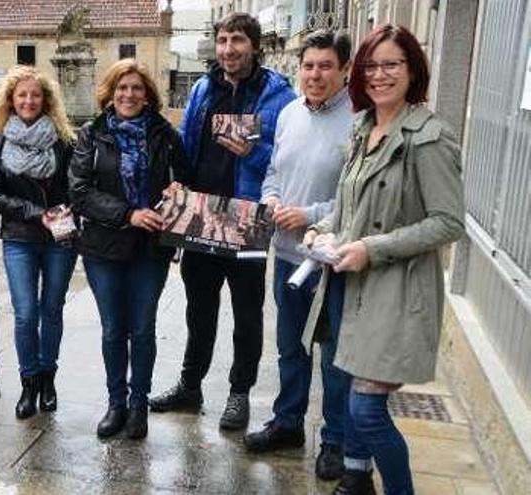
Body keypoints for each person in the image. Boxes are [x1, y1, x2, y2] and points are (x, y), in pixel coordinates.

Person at [302, 24, 465, 495]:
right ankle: (357, 479)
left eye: (392, 64)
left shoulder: (429, 138)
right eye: (371, 65)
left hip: (397, 292)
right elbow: (349, 207)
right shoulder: (363, 126)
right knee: (353, 393)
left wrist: (371, 249)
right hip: (350, 288)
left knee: (367, 410)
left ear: (413, 70)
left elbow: (448, 222)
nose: (379, 75)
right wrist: (323, 229)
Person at [149, 12, 295, 430]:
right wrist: (177, 194)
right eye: (223, 40)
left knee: (248, 313)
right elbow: (188, 148)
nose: (229, 49)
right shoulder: (202, 87)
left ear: (254, 45)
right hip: (203, 214)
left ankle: (239, 394)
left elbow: (284, 159)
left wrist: (253, 153)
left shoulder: (277, 94)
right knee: (200, 309)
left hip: (249, 216)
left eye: (238, 41)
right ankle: (190, 386)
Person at [243, 30, 354, 481]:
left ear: (344, 70)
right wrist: (271, 200)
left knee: (332, 356)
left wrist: (307, 214)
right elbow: (273, 170)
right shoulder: (289, 113)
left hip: (332, 262)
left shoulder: (359, 120)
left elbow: (357, 200)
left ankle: (335, 440)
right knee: (290, 348)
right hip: (287, 256)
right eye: (308, 65)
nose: (315, 74)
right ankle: (288, 423)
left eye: (326, 66)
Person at [70, 59, 187, 439]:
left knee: (142, 328)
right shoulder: (92, 133)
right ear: (110, 91)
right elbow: (80, 192)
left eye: (136, 88)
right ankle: (115, 403)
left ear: (147, 93)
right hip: (103, 247)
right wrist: (128, 214)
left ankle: (139, 406)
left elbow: (185, 181)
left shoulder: (165, 134)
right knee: (112, 329)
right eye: (122, 87)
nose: (129, 94)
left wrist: (177, 190)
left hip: (151, 248)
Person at [0, 65, 77, 419]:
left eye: (36, 94)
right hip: (20, 236)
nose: (29, 100)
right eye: (22, 95)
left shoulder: (66, 141)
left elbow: (76, 187)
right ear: (10, 100)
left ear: (46, 100)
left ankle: (48, 378)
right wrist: (38, 214)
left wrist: (63, 213)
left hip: (59, 239)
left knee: (51, 310)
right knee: (25, 314)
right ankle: (28, 382)